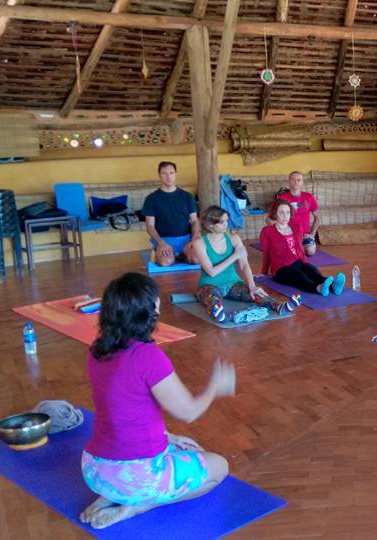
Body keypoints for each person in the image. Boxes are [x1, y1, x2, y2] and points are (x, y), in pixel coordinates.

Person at [79, 272, 235, 529]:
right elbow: (188, 412)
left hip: (94, 470)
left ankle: (111, 496)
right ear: (147, 312)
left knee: (191, 450)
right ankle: (140, 504)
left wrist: (170, 438)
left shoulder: (97, 349)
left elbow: (124, 407)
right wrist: (214, 387)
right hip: (135, 475)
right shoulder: (147, 357)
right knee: (219, 468)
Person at [190, 206, 301, 322]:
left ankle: (278, 306)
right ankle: (219, 314)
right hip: (208, 285)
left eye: (227, 220)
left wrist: (252, 286)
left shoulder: (234, 239)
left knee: (255, 294)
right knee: (211, 297)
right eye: (222, 222)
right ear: (211, 225)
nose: (226, 224)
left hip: (233, 283)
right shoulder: (199, 243)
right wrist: (234, 256)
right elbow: (211, 272)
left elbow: (244, 265)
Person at [260, 199, 345, 296]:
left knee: (312, 271)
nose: (285, 216)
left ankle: (333, 286)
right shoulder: (267, 231)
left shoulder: (296, 227)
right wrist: (264, 272)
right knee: (299, 276)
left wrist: (305, 263)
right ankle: (318, 288)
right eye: (281, 212)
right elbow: (266, 253)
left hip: (297, 262)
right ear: (275, 214)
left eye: (287, 212)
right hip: (281, 269)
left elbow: (300, 248)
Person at [142, 161, 200, 267]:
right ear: (159, 175)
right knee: (166, 262)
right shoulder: (151, 199)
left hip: (186, 239)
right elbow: (149, 226)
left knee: (196, 260)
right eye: (164, 173)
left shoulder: (187, 197)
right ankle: (168, 255)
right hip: (164, 240)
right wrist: (160, 242)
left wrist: (194, 239)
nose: (168, 177)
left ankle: (181, 255)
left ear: (176, 174)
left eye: (171, 173)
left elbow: (195, 221)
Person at [277, 170, 320, 256]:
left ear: (302, 182)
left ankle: (301, 247)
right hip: (288, 234)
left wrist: (312, 234)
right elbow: (275, 218)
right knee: (290, 254)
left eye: (299, 180)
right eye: (293, 179)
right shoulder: (282, 198)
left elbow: (317, 217)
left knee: (310, 252)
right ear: (289, 181)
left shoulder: (309, 197)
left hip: (305, 235)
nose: (296, 182)